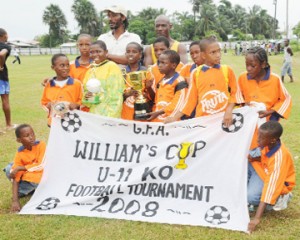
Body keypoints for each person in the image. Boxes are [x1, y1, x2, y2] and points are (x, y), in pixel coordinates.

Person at [164, 36, 244, 126]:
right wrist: (174, 117)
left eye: (218, 51)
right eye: (213, 52)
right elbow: (191, 100)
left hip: (223, 119)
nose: (218, 55)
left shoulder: (227, 70)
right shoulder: (196, 73)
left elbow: (235, 93)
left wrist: (229, 111)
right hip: (203, 121)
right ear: (203, 55)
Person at [247, 121, 295, 233]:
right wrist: (255, 159)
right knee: (243, 161)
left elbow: (270, 187)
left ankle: (280, 197)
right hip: (263, 170)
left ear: (273, 140)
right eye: (258, 135)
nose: (258, 139)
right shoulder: (268, 143)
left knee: (251, 197)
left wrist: (256, 219)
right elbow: (265, 159)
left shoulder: (279, 157)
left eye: (261, 138)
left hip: (278, 183)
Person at [3, 124, 46, 212]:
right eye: (27, 136)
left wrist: (20, 168)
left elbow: (41, 165)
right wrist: (15, 201)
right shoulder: (20, 153)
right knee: (9, 169)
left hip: (42, 177)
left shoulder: (41, 145)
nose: (31, 137)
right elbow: (16, 177)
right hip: (30, 176)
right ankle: (27, 191)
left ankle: (29, 190)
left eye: (32, 134)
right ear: (19, 140)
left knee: (30, 175)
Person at [83, 40, 124, 118]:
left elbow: (116, 95)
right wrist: (87, 97)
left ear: (106, 52)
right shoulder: (90, 70)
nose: (95, 54)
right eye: (92, 52)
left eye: (98, 51)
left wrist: (111, 117)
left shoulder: (112, 67)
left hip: (109, 115)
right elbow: (86, 94)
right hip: (94, 114)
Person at [41, 54, 83, 126]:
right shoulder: (49, 85)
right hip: (54, 122)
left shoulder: (77, 84)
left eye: (67, 65)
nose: (66, 68)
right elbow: (43, 102)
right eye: (62, 65)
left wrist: (77, 105)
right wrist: (48, 105)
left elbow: (83, 100)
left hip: (71, 122)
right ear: (53, 67)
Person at [147, 50, 188, 122]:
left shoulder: (180, 82)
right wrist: (148, 88)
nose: (159, 65)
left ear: (173, 65)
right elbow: (156, 102)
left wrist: (159, 112)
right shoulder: (161, 81)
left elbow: (178, 104)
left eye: (163, 63)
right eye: (159, 62)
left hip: (171, 123)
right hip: (158, 122)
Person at [144, 36, 183, 105]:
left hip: (175, 107)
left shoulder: (182, 67)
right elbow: (153, 97)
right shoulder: (151, 70)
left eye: (162, 49)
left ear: (169, 49)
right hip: (158, 108)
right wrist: (149, 88)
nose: (159, 53)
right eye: (156, 50)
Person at [121, 42, 148, 120]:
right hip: (126, 112)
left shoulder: (146, 71)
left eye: (134, 52)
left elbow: (152, 95)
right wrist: (127, 94)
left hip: (143, 111)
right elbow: (118, 96)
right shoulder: (122, 73)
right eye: (128, 51)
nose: (130, 54)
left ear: (140, 55)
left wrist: (143, 94)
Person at [0, 28, 17, 134]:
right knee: (5, 100)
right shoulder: (6, 46)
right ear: (4, 36)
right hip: (1, 77)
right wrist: (1, 66)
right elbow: (1, 54)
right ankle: (8, 124)